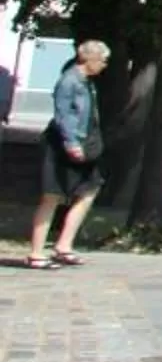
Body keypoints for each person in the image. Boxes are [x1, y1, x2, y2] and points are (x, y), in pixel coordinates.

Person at [26, 41, 110, 270]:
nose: (104, 65)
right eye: (102, 60)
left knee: (89, 190)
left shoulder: (87, 83)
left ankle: (63, 246)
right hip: (61, 145)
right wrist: (72, 143)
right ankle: (36, 253)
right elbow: (62, 114)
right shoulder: (69, 81)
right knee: (52, 195)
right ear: (89, 59)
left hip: (83, 143)